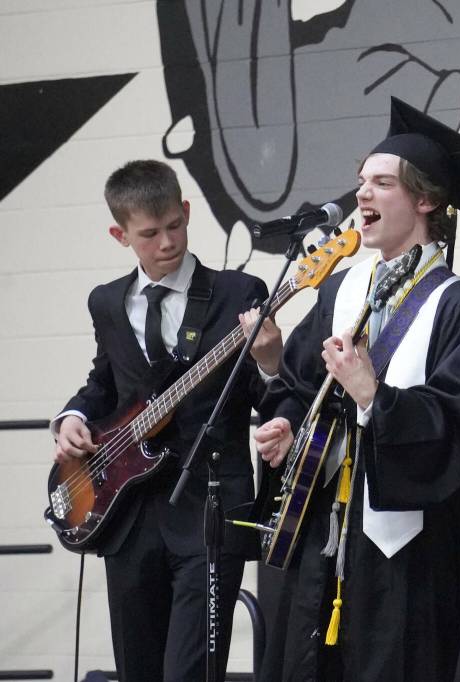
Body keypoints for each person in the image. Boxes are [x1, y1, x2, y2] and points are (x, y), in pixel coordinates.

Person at [254, 97, 460, 681]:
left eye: (381, 183)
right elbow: (295, 385)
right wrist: (284, 418)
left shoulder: (458, 307)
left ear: (426, 200)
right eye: (361, 181)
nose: (361, 194)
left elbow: (457, 428)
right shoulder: (340, 288)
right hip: (320, 529)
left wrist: (375, 397)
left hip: (400, 550)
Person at [51, 159, 282, 681]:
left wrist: (270, 362)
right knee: (138, 669)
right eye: (149, 234)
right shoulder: (106, 302)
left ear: (186, 210)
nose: (167, 243)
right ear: (120, 234)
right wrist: (73, 416)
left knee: (191, 673)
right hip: (127, 514)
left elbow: (265, 393)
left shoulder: (238, 292)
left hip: (208, 508)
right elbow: (105, 382)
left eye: (175, 226)